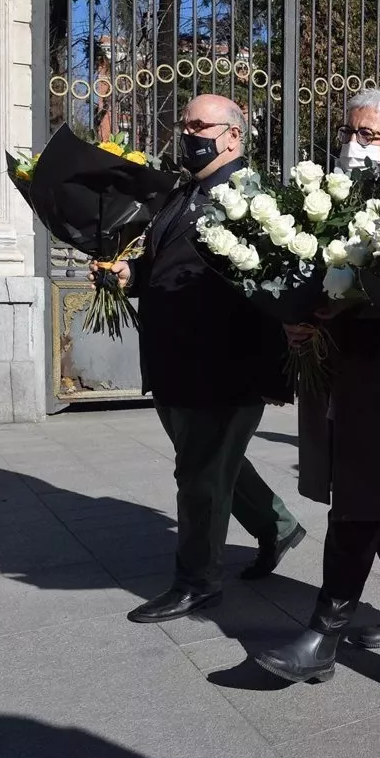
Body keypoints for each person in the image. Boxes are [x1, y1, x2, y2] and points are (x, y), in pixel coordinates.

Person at [253, 90, 380, 683]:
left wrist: (346, 306)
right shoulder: (341, 196)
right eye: (348, 131)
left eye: (367, 134)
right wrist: (297, 318)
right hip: (346, 371)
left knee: (360, 502)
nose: (352, 143)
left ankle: (323, 633)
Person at [99, 94, 305, 623]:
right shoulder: (183, 191)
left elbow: (271, 288)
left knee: (199, 477)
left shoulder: (251, 199)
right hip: (174, 362)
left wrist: (271, 370)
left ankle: (198, 582)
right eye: (184, 124)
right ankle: (278, 527)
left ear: (233, 136)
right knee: (211, 464)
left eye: (199, 125)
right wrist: (131, 274)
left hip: (222, 368)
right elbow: (165, 264)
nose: (187, 134)